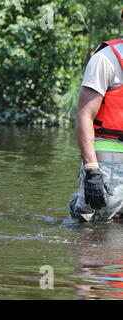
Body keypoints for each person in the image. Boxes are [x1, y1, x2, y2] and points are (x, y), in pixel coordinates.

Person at [69, 10, 123, 222]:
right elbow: (84, 115)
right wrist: (92, 169)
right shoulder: (105, 59)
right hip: (106, 169)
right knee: (91, 236)